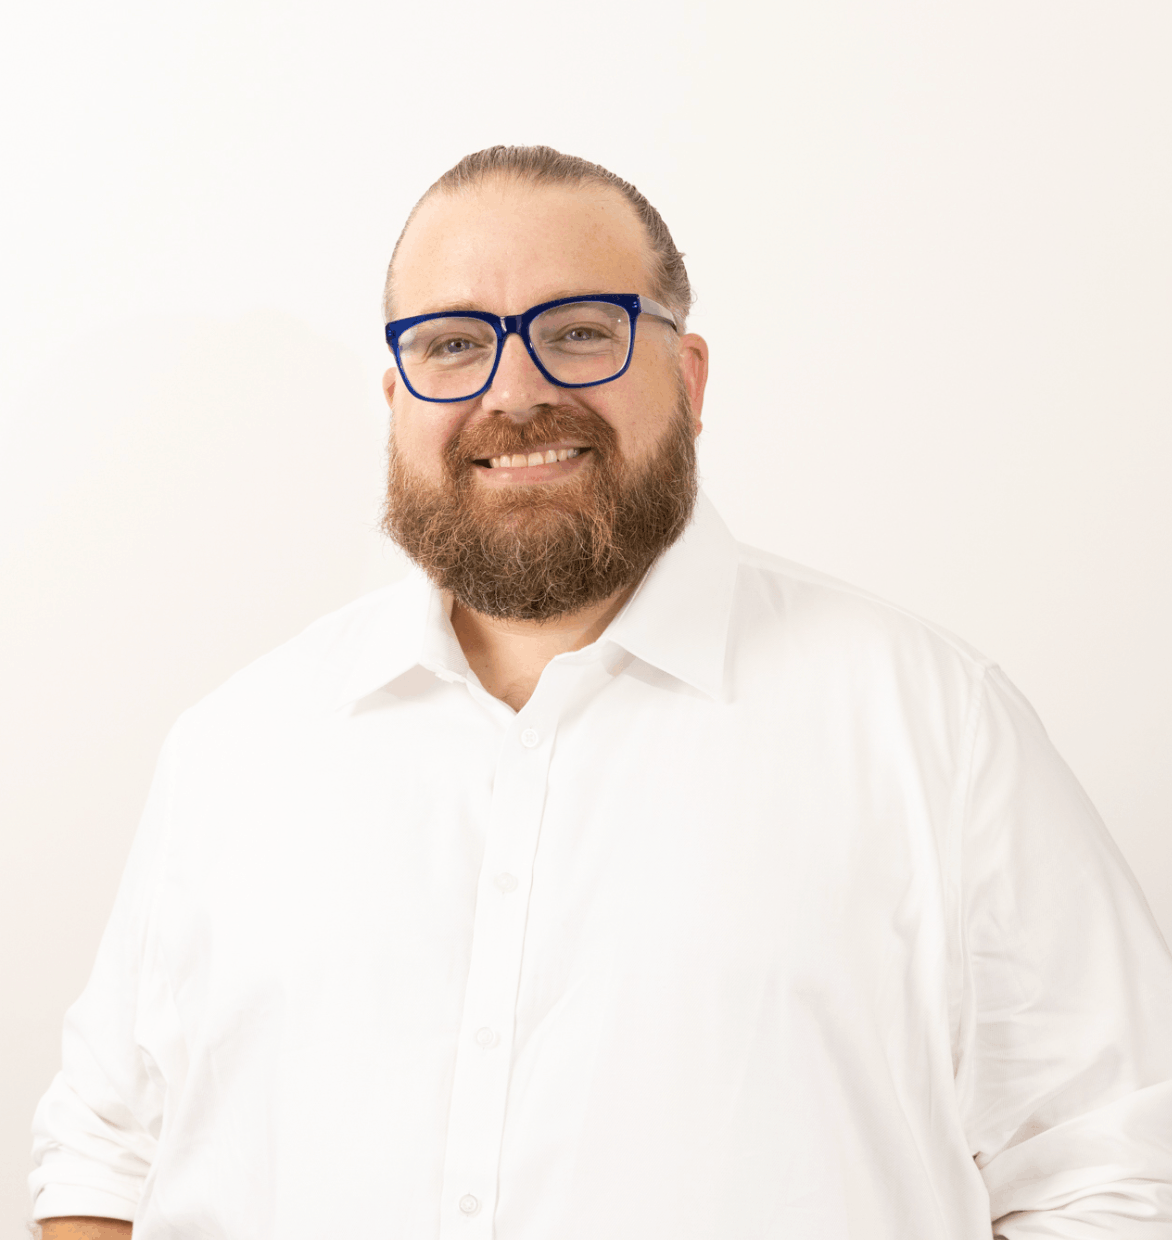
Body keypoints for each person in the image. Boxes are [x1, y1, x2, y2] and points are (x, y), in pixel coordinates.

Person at [30, 145, 1172, 1240]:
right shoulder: (236, 749)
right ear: (394, 395)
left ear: (688, 376)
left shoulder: (932, 727)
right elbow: (103, 1154)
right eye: (449, 343)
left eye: (580, 331)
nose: (514, 391)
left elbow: (1116, 1169)